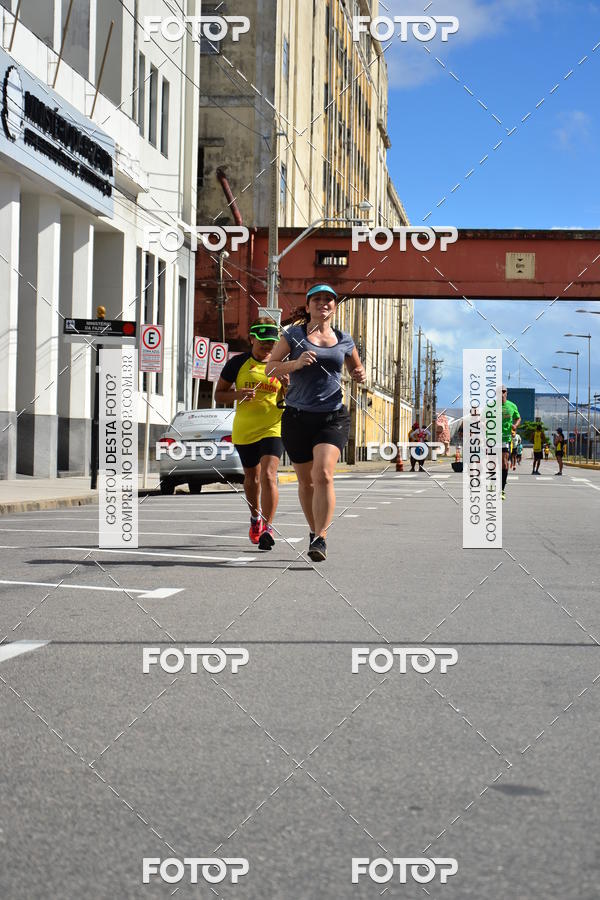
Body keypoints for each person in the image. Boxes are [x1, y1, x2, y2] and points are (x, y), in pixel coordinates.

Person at [266, 284, 366, 561]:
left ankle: (321, 537)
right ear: (308, 305)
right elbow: (270, 367)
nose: (323, 303)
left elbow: (356, 368)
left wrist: (359, 373)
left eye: (329, 300)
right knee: (306, 482)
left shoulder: (344, 339)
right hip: (297, 416)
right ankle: (313, 531)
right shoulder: (294, 335)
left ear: (334, 306)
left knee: (323, 474)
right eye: (317, 299)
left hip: (331, 416)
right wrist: (295, 364)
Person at [215, 318, 286, 550]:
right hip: (245, 429)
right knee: (252, 479)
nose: (267, 345)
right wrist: (238, 394)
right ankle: (255, 518)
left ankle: (267, 528)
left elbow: (293, 398)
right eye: (263, 340)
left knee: (268, 475)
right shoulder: (237, 363)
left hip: (273, 427)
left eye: (272, 342)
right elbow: (219, 395)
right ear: (252, 338)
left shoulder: (281, 365)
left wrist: (288, 385)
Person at [501, 386, 521, 500]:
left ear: (506, 393)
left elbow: (518, 418)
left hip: (506, 438)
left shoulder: (512, 405)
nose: (501, 393)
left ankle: (502, 489)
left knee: (504, 463)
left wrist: (515, 425)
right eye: (499, 392)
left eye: (503, 391)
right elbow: (483, 419)